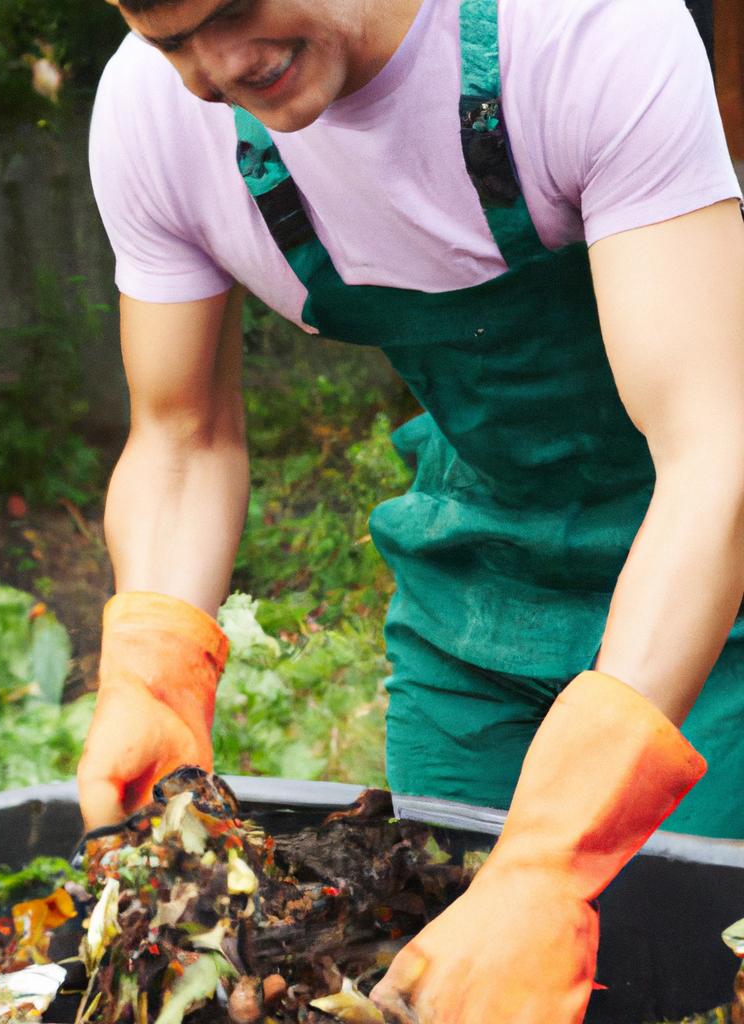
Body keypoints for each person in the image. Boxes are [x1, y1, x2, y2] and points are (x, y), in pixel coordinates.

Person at [76, 0, 744, 1019]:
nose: (219, 68)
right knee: (422, 966)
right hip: (476, 587)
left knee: (685, 972)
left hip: (714, 587)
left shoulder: (584, 35)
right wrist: (151, 673)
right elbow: (182, 437)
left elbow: (713, 454)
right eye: (170, 39)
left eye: (236, 9)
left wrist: (551, 861)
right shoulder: (152, 120)